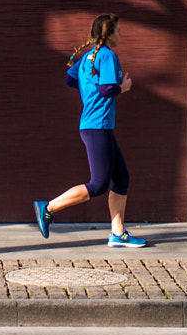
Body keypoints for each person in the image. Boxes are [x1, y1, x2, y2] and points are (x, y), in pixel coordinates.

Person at [34, 13, 149, 247]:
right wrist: (123, 87)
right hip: (97, 126)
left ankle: (118, 234)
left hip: (96, 125)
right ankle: (48, 208)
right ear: (108, 34)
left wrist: (88, 92)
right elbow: (107, 89)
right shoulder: (107, 56)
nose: (121, 35)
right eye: (118, 31)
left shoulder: (88, 57)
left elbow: (70, 79)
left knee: (122, 178)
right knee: (98, 184)